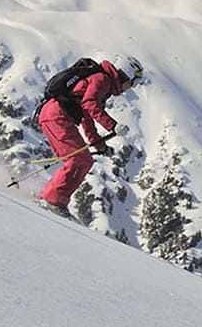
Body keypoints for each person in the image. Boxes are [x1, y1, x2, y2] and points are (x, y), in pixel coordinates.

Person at [32, 55, 145, 218]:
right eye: (134, 82)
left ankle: (55, 200)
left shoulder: (101, 82)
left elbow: (86, 118)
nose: (131, 86)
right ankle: (51, 201)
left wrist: (101, 147)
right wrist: (112, 125)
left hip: (54, 115)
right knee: (79, 159)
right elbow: (90, 104)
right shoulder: (102, 79)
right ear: (125, 73)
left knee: (83, 160)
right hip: (56, 116)